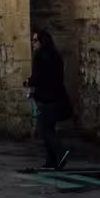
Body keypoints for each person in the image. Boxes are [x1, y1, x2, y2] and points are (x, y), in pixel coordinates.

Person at [27, 27, 71, 169]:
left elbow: (37, 78)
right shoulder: (55, 55)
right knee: (48, 128)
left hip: (45, 99)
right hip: (57, 97)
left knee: (44, 130)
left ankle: (62, 153)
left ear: (41, 42)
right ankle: (51, 160)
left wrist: (29, 82)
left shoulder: (39, 56)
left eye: (35, 40)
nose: (33, 43)